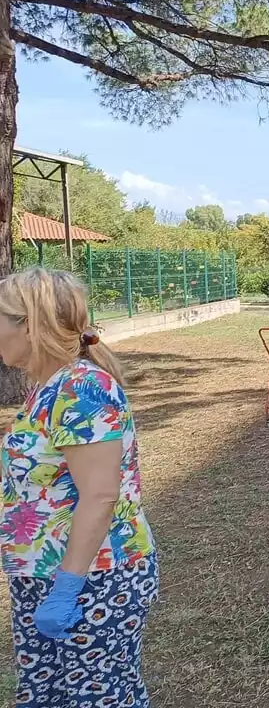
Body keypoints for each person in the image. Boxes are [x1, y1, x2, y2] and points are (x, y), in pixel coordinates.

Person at [0, 267, 158, 706]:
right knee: (48, 697)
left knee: (97, 698)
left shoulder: (82, 389)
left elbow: (100, 494)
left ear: (28, 324)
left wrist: (67, 588)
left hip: (95, 579)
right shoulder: (45, 387)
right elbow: (42, 476)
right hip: (46, 575)